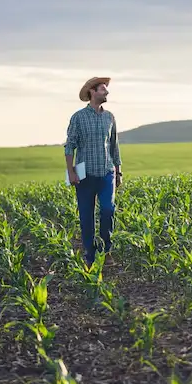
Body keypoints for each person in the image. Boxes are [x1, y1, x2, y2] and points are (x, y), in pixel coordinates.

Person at [64, 76, 122, 265]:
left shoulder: (110, 117)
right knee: (86, 217)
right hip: (84, 175)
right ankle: (90, 255)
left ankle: (106, 251)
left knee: (108, 209)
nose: (107, 92)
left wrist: (118, 171)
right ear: (92, 92)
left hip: (107, 172)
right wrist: (71, 172)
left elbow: (114, 145)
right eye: (103, 89)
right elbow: (69, 146)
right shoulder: (78, 117)